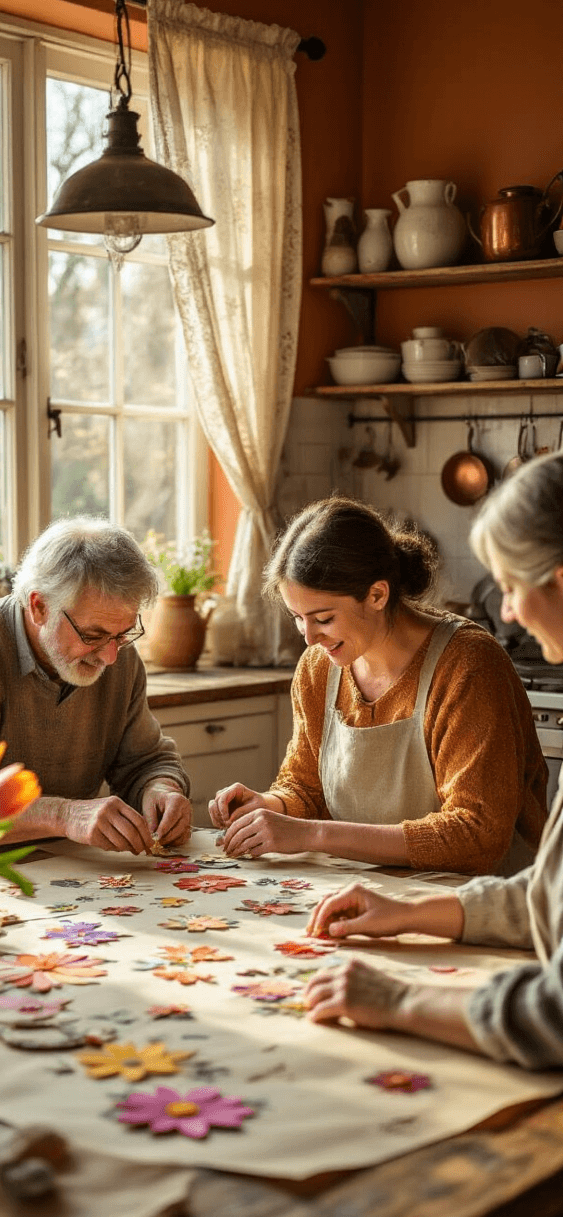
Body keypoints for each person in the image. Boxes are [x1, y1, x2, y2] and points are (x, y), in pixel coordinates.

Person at [302, 452, 563, 1068]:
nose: (507, 613)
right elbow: (549, 897)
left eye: (509, 587)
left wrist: (399, 998)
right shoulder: (319, 670)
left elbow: (554, 1012)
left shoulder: (466, 660)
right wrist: (410, 912)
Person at [209, 496, 547, 875]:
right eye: (297, 618)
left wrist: (312, 835)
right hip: (373, 894)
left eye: (323, 618)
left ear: (377, 594)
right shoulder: (319, 668)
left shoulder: (468, 667)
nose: (308, 638)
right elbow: (306, 788)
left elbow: (477, 835)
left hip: (483, 904)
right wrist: (270, 806)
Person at [0, 518, 191, 853]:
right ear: (39, 606)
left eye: (123, 634)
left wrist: (161, 789)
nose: (111, 656)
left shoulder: (117, 657)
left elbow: (145, 761)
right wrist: (65, 816)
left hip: (62, 868)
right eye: (93, 635)